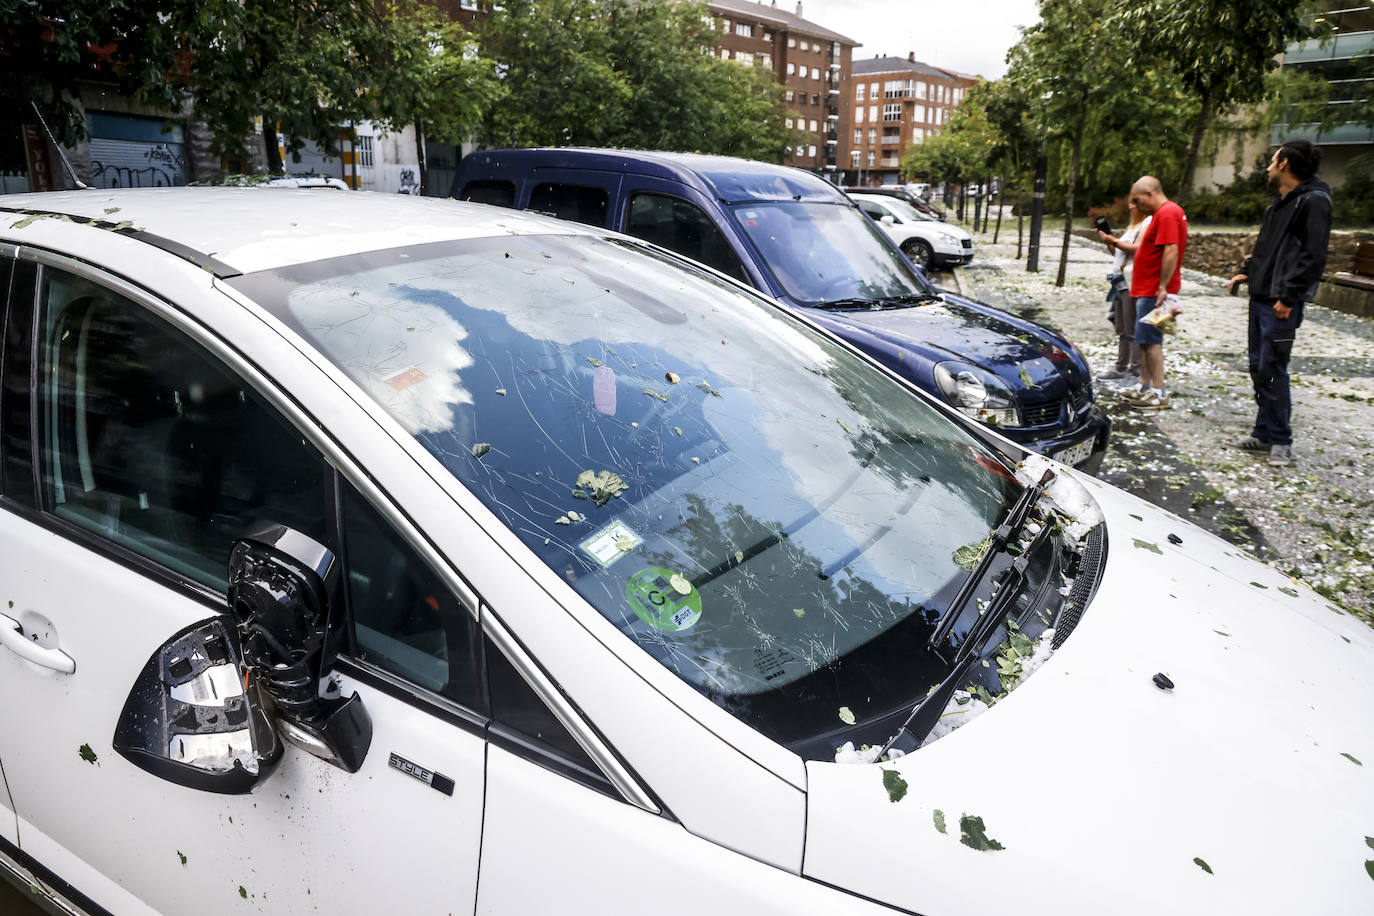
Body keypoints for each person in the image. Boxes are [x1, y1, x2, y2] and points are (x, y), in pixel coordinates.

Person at [1227, 140, 1332, 467]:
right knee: (1259, 367)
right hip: (1261, 298)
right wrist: (1247, 272)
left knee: (1274, 368)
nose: (1269, 167)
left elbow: (1314, 257)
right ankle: (1263, 433)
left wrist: (1289, 297)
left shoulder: (1314, 202)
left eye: (1273, 161)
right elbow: (1266, 248)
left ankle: (1281, 441)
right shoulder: (1279, 203)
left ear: (1284, 163)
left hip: (1282, 305)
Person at [1120, 176, 1187, 411]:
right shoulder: (1162, 214)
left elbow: (1171, 251)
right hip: (1147, 289)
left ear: (1150, 193)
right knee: (1145, 340)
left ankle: (1159, 391)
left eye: (1138, 200)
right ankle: (1144, 386)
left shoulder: (1168, 213)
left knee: (1152, 341)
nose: (1136, 206)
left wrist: (1163, 287)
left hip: (1154, 291)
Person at [1096, 200, 1151, 381]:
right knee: (1121, 326)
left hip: (1131, 282)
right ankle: (1122, 365)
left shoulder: (1147, 222)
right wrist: (1109, 242)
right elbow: (1119, 253)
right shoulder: (1132, 226)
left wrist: (1114, 240)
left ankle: (1134, 369)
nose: (1130, 207)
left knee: (1131, 327)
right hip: (1120, 281)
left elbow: (1139, 249)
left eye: (1134, 203)